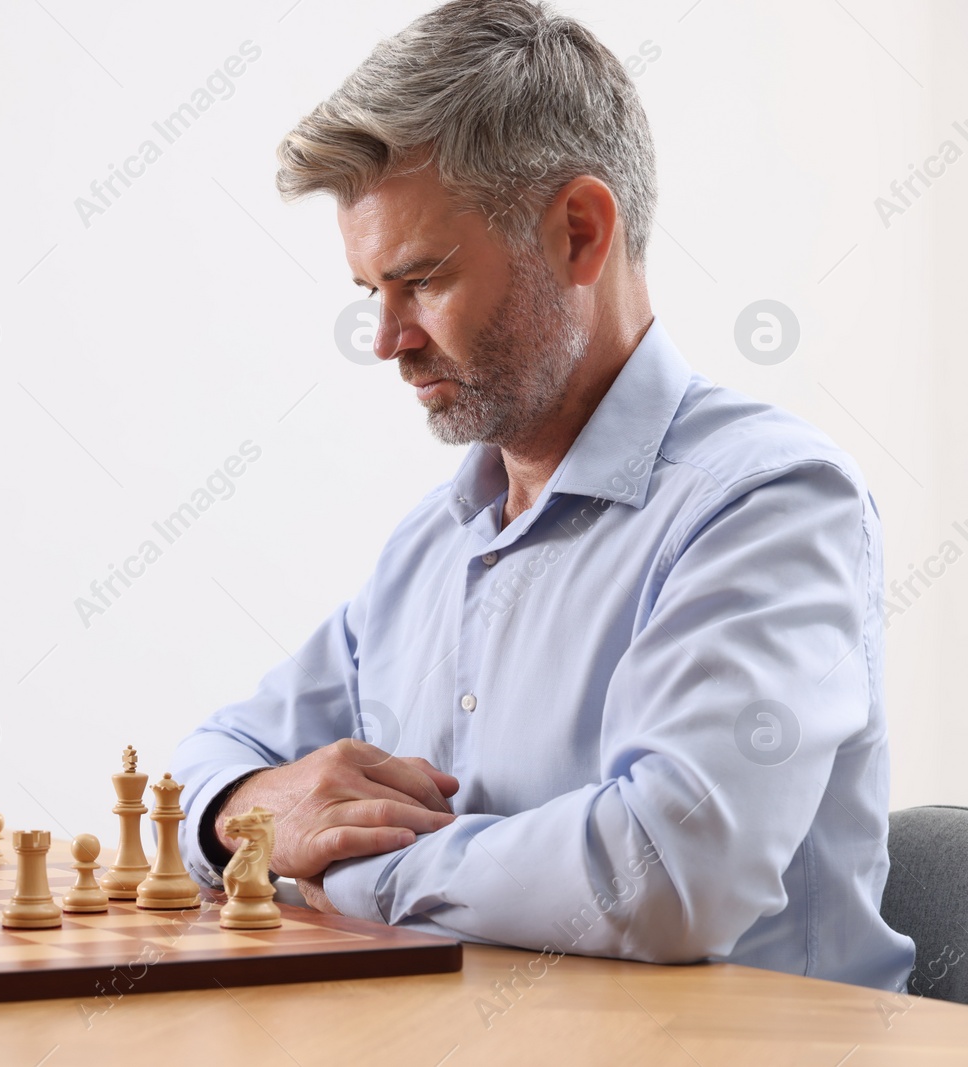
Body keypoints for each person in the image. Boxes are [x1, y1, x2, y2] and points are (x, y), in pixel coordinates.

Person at [170, 0, 914, 991]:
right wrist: (246, 812)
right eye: (369, 294)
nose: (385, 339)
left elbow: (665, 873)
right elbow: (212, 755)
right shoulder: (432, 544)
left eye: (422, 279)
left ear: (577, 231)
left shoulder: (767, 504)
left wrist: (347, 868)